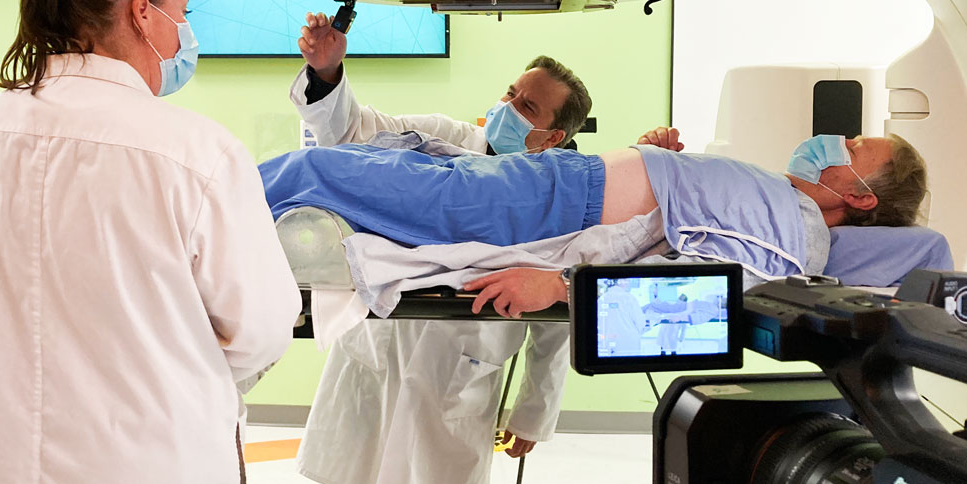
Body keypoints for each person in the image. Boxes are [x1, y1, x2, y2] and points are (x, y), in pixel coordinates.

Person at [0, 0, 301, 484]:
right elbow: (258, 327)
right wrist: (170, 360)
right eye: (184, 14)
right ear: (143, 13)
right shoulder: (194, 153)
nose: (186, 36)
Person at [288, 13, 597, 484]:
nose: (508, 108)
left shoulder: (556, 201)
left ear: (554, 136)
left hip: (465, 376)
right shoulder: (441, 141)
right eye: (512, 92)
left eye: (528, 105)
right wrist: (325, 73)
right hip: (381, 363)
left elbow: (555, 317)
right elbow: (348, 133)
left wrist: (532, 413)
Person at [258, 130, 927, 317]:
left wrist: (563, 290)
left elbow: (700, 296)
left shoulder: (796, 238)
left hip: (545, 207)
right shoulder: (789, 202)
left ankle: (199, 199)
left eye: (856, 147)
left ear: (862, 196)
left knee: (328, 175)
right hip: (554, 187)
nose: (836, 139)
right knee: (372, 165)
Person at [597, 280, 647, 356]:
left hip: (609, 340)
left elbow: (599, 322)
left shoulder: (602, 299)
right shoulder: (629, 298)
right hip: (629, 342)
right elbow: (640, 322)